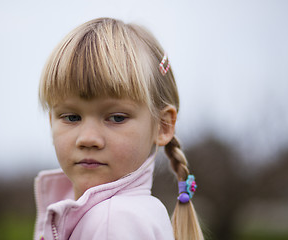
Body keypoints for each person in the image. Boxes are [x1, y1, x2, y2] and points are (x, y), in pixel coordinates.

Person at [34, 17, 204, 240]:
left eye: (116, 117)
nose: (87, 139)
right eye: (72, 117)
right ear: (51, 122)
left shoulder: (113, 222)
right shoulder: (122, 215)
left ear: (163, 125)